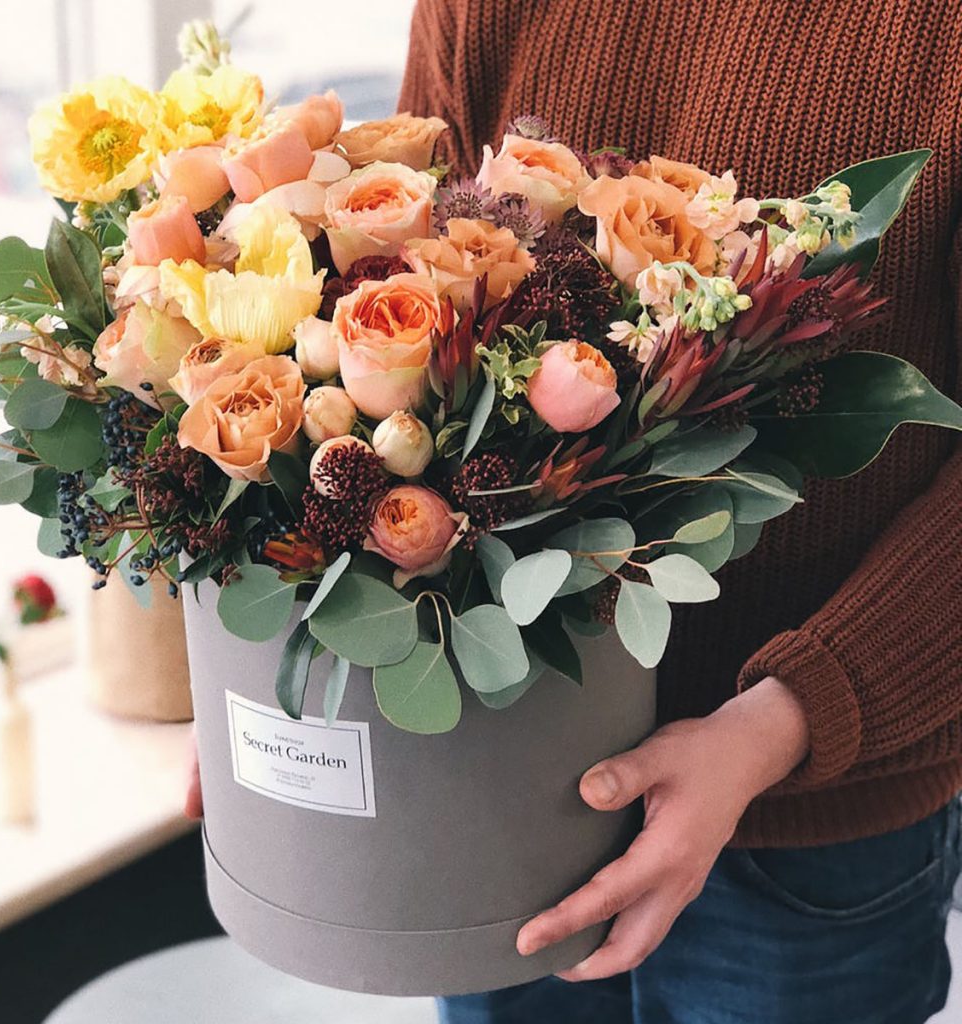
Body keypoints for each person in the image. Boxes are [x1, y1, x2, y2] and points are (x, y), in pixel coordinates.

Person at [188, 3, 962, 1021]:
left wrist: (786, 719)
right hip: (494, 786)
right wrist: (284, 659)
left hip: (804, 830)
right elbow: (394, 295)